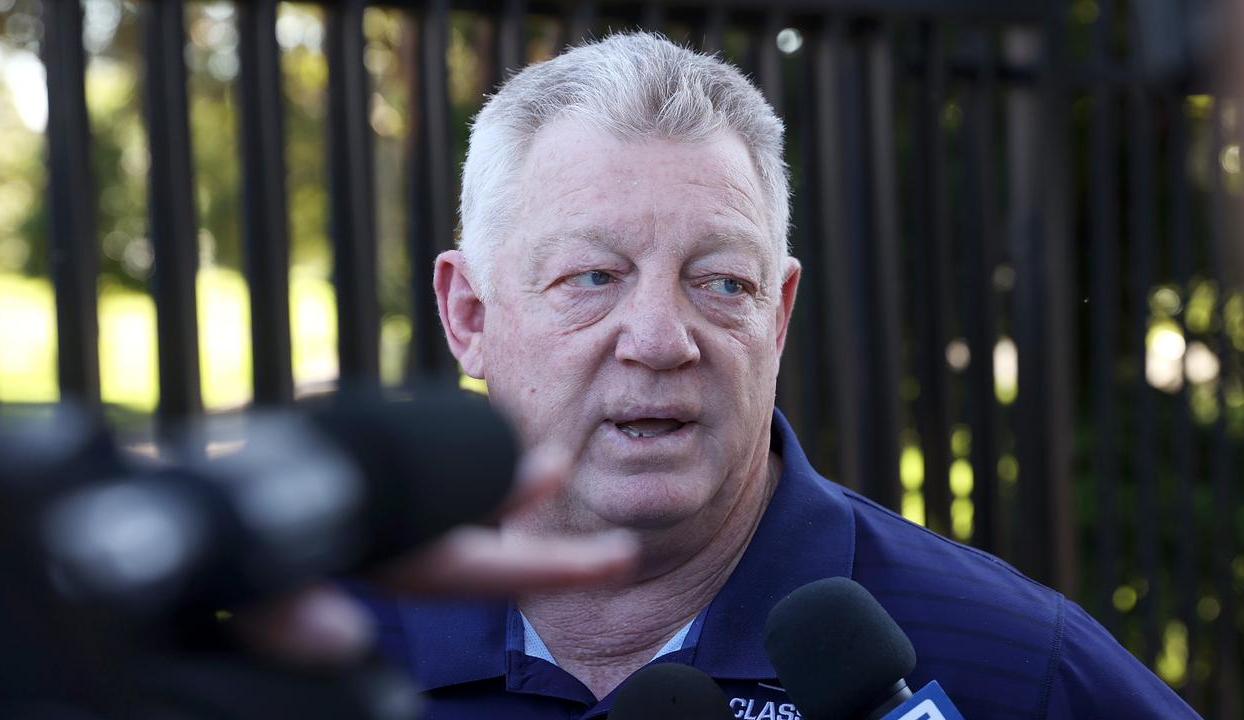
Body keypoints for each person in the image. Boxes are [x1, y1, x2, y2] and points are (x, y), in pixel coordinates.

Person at [352, 32, 1198, 719]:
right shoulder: (320, 647)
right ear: (469, 314)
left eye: (721, 282)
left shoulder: (1021, 669)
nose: (659, 340)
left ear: (779, 313)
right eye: (593, 278)